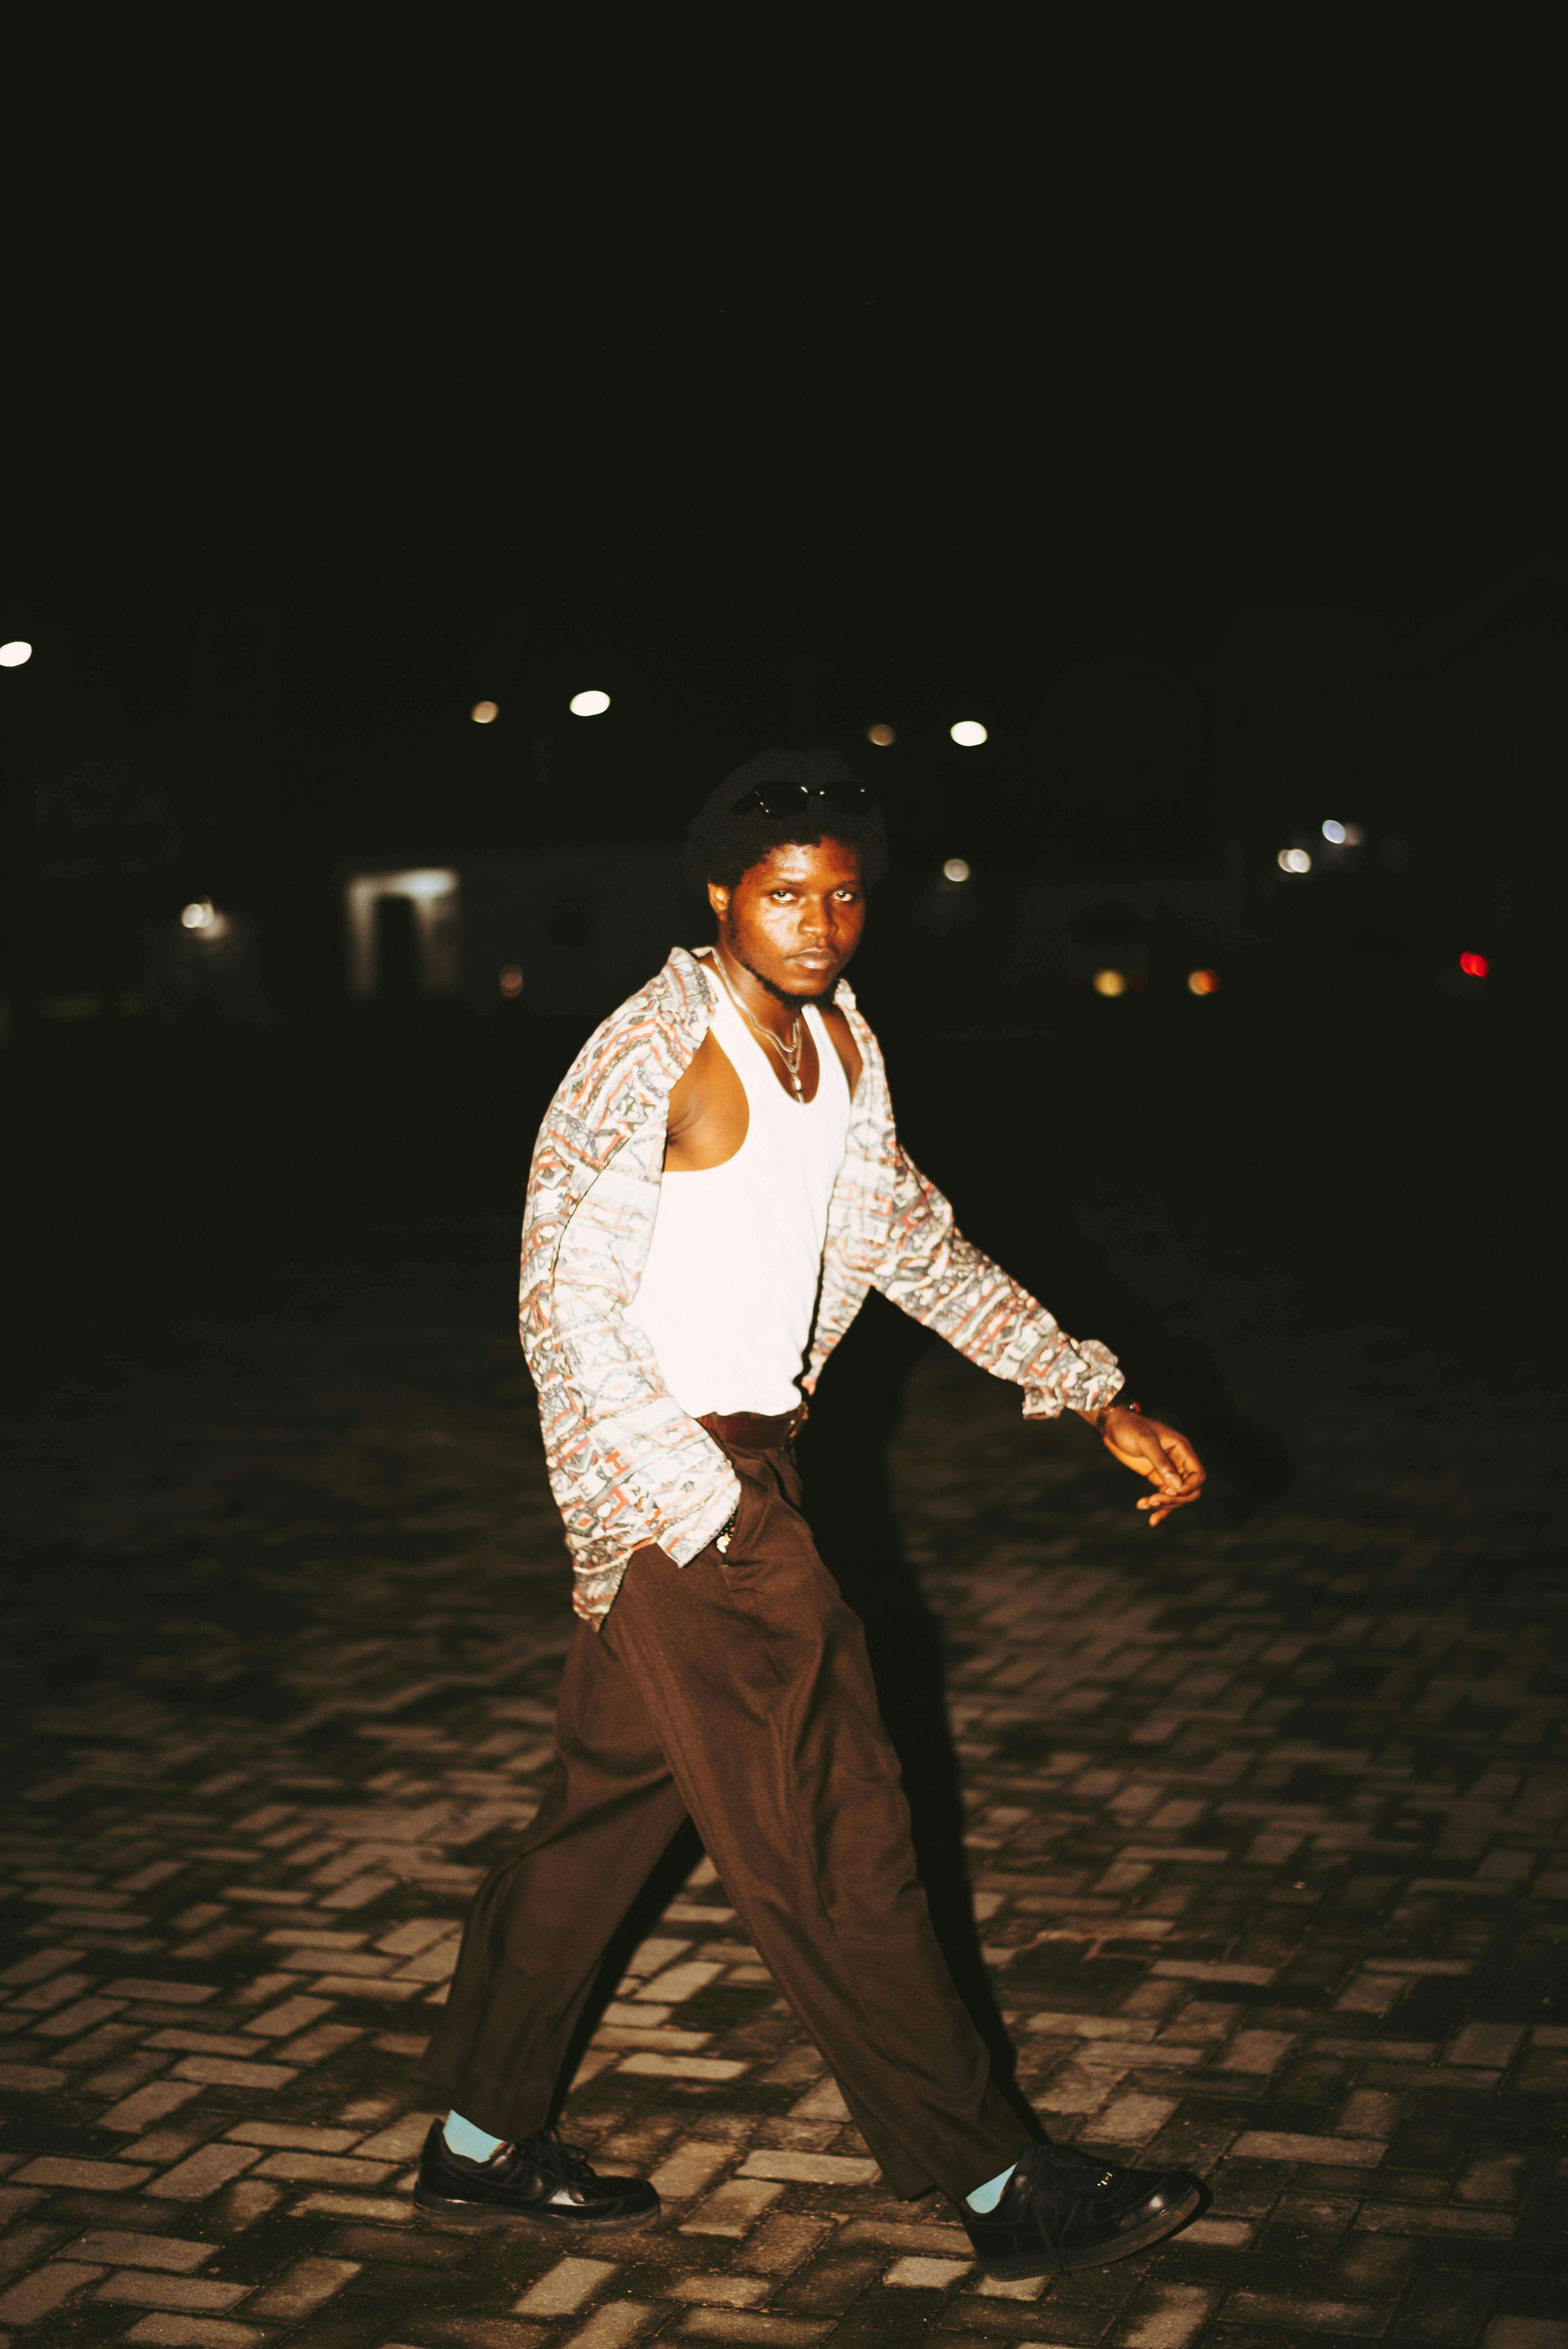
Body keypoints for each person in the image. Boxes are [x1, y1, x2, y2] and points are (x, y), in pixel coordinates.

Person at [416, 750, 1207, 2274]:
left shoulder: (840, 1045)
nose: (820, 923)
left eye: (844, 895)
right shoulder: (653, 1048)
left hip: (750, 1464)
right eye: (786, 894)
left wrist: (1087, 1391)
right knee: (840, 1816)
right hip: (684, 1487)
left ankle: (473, 2139)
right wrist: (692, 1502)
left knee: (598, 1824)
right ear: (721, 894)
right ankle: (998, 2184)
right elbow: (560, 1306)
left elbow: (911, 1241)